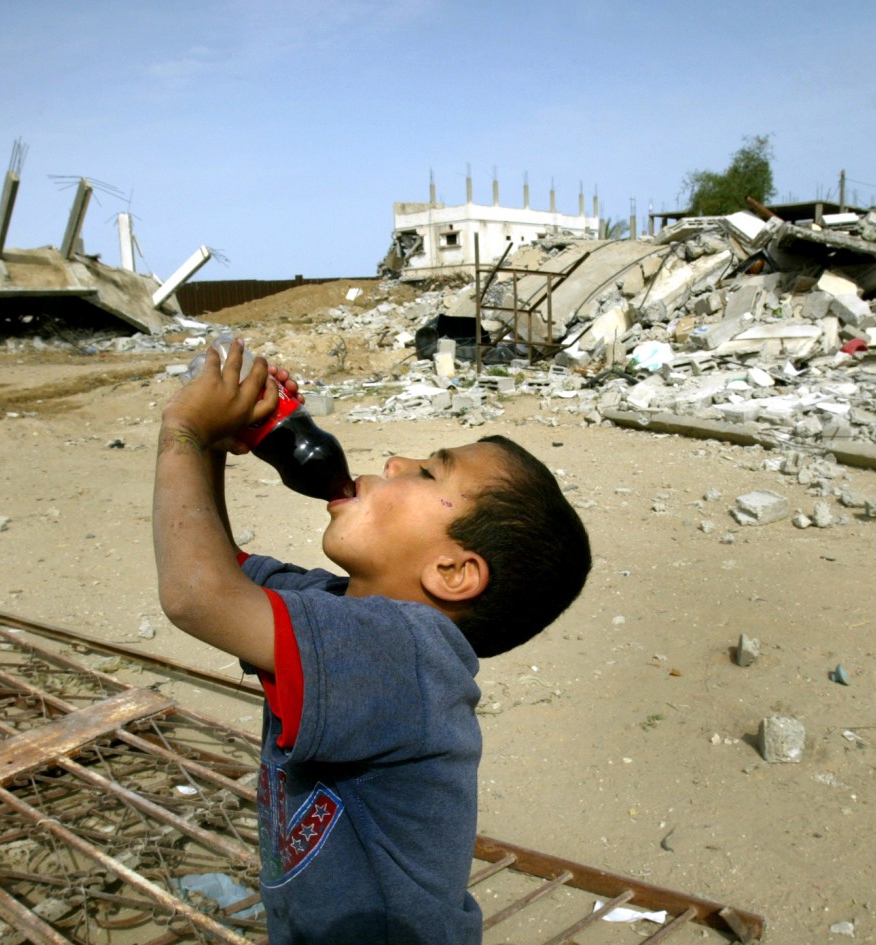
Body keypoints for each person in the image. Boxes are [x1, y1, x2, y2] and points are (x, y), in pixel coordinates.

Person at [153, 339, 592, 944]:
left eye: (428, 472)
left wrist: (184, 428)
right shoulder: (337, 610)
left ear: (453, 571)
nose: (392, 461)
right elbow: (219, 569)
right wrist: (220, 445)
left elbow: (195, 595)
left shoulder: (408, 660)